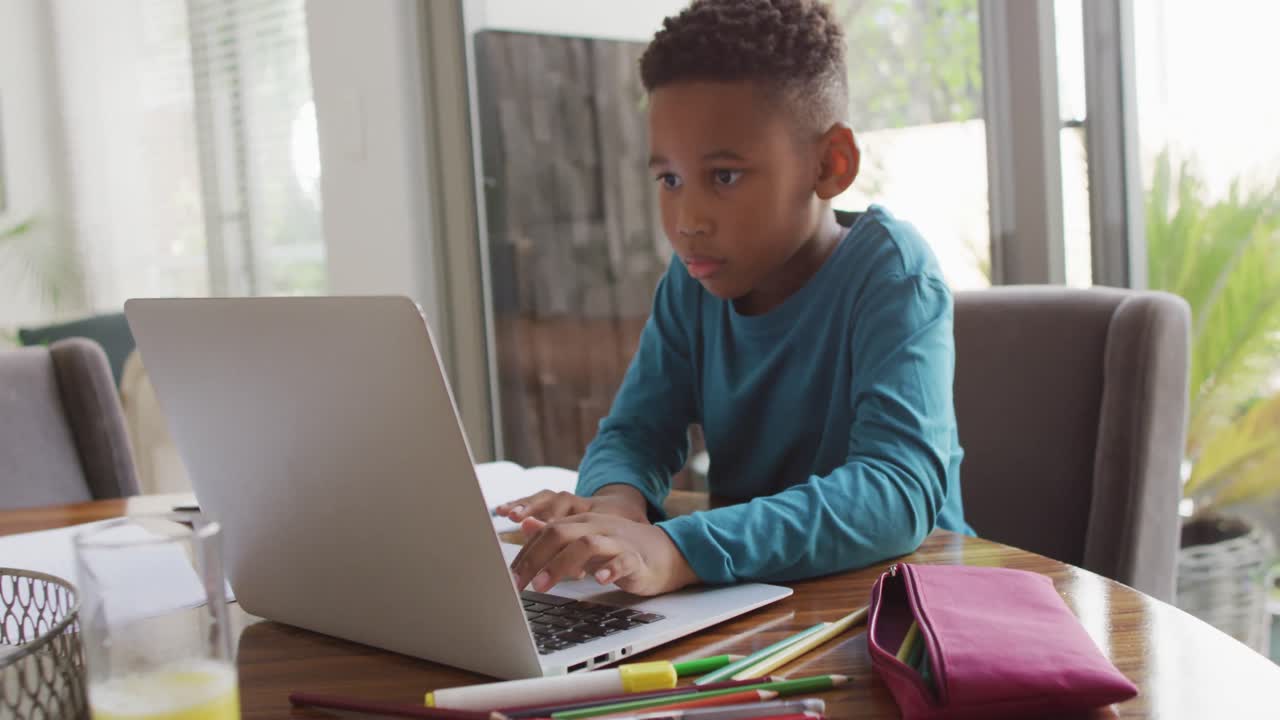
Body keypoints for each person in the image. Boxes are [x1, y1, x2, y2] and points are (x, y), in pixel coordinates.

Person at [499, 0, 970, 597]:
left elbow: (895, 493)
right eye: (669, 179)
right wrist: (617, 509)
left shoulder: (894, 274)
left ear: (831, 164)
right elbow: (636, 433)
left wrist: (676, 550)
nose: (688, 220)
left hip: (904, 605)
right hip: (753, 596)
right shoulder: (691, 284)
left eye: (724, 176)